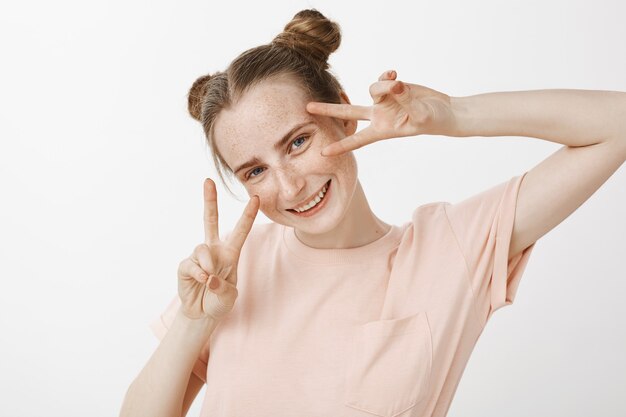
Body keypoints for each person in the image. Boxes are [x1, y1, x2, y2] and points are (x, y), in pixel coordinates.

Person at [119, 9, 626, 417]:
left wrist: (456, 115)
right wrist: (192, 321)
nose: (290, 185)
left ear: (342, 112)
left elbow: (617, 124)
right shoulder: (231, 274)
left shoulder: (449, 249)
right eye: (255, 172)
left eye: (298, 142)